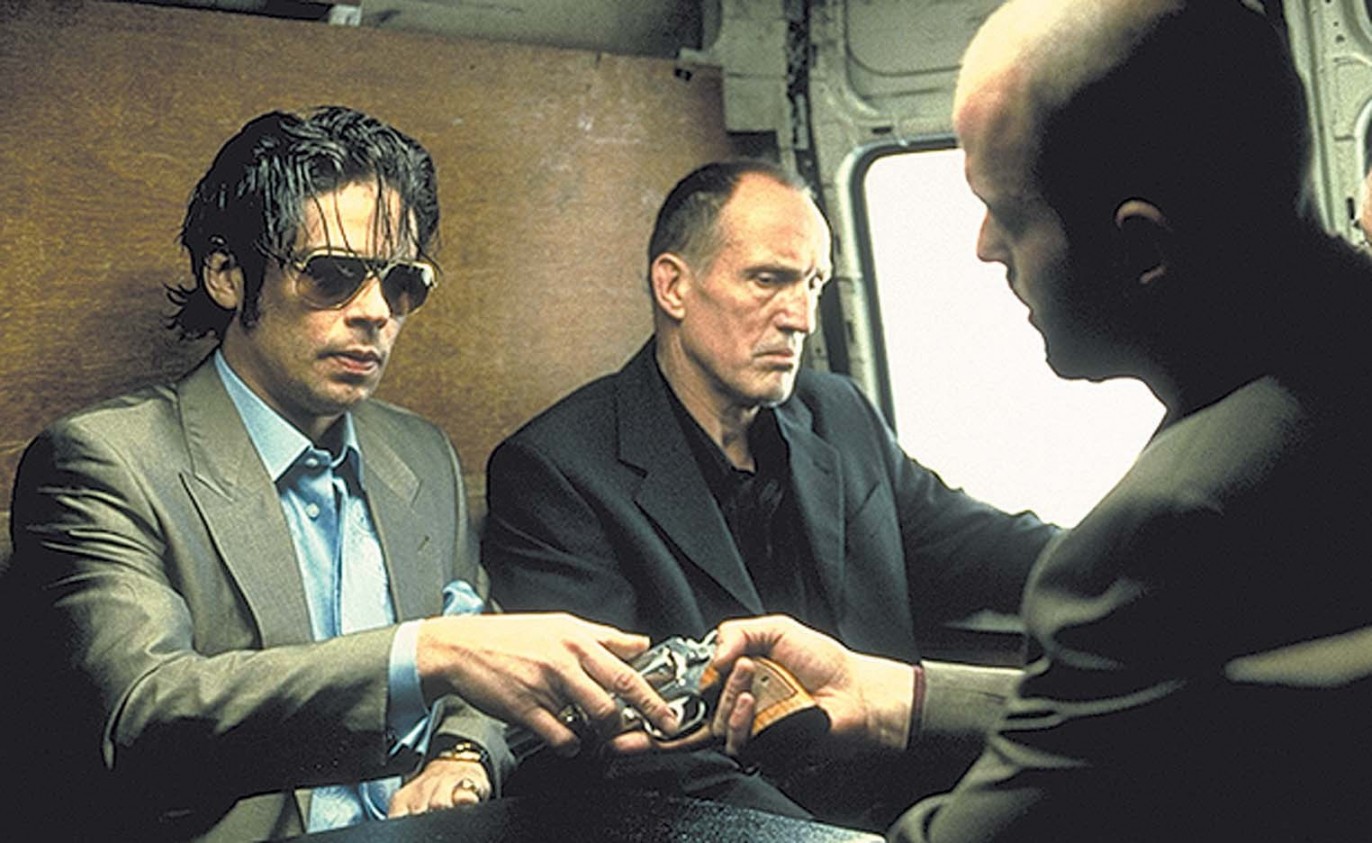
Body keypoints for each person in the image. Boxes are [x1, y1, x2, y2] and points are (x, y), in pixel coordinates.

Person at [689, 1, 1372, 840]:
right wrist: (897, 697)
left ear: (1141, 252)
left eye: (1009, 213)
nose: (985, 246)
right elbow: (1191, 711)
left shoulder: (1169, 527)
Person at [1, 106, 678, 842]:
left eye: (403, 283)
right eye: (331, 276)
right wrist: (424, 655)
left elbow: (479, 653)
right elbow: (142, 718)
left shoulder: (419, 453)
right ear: (227, 274)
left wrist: (460, 754)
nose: (376, 312)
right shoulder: (106, 461)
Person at [481, 158, 1057, 825]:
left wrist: (1131, 559)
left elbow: (973, 544)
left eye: (813, 283)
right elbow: (620, 745)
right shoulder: (555, 469)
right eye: (768, 280)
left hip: (910, 799)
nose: (802, 317)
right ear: (673, 286)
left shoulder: (837, 411)